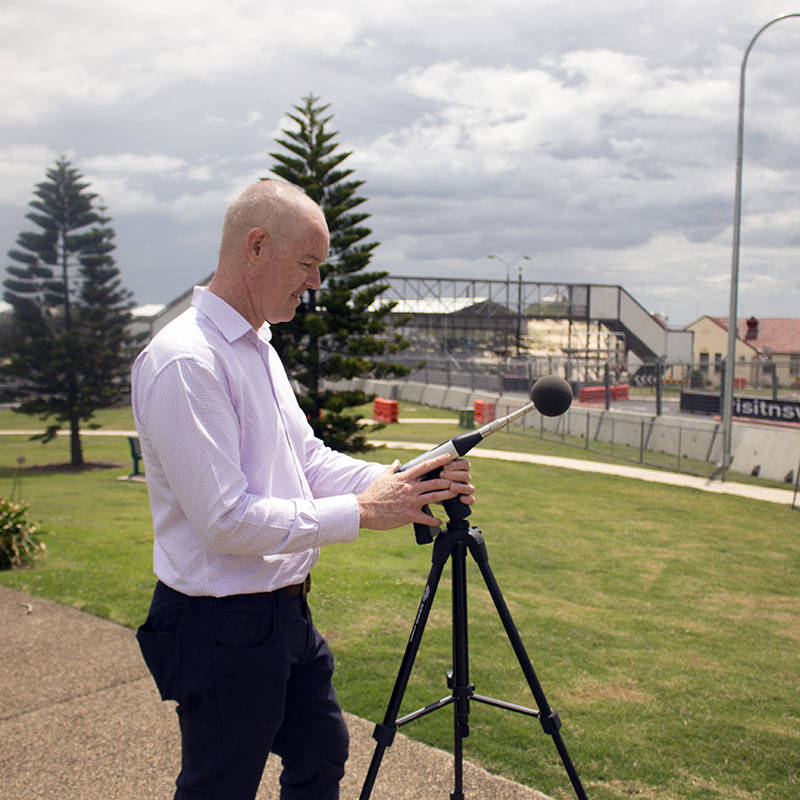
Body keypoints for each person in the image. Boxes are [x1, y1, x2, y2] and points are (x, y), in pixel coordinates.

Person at [132, 179, 474, 800]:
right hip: (220, 623)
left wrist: (401, 484)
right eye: (307, 263)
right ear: (257, 246)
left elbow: (305, 460)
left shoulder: (255, 347)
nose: (316, 283)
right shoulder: (187, 361)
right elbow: (224, 522)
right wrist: (363, 512)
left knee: (320, 752)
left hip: (282, 612)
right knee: (220, 786)